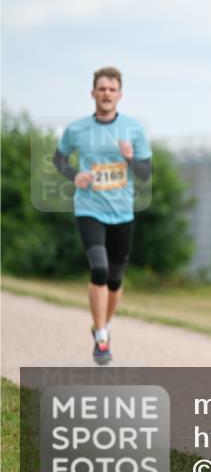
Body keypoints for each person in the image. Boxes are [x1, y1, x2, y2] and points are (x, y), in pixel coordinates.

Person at [52, 67, 152, 365]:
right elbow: (59, 159)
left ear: (119, 94)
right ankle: (102, 339)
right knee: (99, 269)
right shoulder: (77, 130)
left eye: (112, 89)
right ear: (93, 93)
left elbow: (145, 174)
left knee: (115, 278)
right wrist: (74, 175)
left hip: (122, 212)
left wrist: (130, 158)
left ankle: (102, 325)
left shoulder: (134, 129)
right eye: (101, 88)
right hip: (89, 208)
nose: (106, 93)